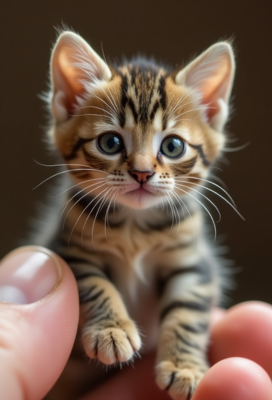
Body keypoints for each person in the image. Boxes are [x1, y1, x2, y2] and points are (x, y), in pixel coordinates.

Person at [0, 246, 271, 400]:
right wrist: (104, 315)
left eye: (174, 146)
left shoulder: (182, 217)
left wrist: (184, 353)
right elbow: (71, 266)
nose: (143, 169)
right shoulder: (81, 214)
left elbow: (194, 283)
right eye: (111, 142)